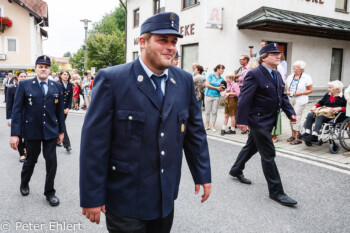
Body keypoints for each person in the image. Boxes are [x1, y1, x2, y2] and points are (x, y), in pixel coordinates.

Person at [79, 12, 211, 232]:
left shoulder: (183, 80)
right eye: (162, 40)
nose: (171, 47)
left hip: (164, 198)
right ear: (142, 42)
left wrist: (203, 174)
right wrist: (91, 195)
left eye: (174, 42)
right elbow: (94, 143)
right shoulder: (113, 79)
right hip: (125, 199)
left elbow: (194, 133)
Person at [229, 43, 298, 206]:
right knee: (268, 154)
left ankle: (236, 169)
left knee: (251, 147)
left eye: (279, 54)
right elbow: (245, 99)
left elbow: (283, 97)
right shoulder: (254, 74)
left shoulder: (277, 74)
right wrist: (242, 120)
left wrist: (290, 113)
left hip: (269, 120)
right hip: (257, 120)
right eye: (273, 54)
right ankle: (276, 192)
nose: (278, 56)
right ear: (264, 57)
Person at [10, 55, 65, 207]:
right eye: (40, 66)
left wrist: (61, 131)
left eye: (46, 67)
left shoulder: (57, 86)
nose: (43, 69)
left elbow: (60, 112)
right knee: (30, 161)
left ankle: (50, 193)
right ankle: (24, 183)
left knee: (51, 162)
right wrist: (15, 134)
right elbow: (17, 110)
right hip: (32, 130)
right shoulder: (25, 85)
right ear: (35, 69)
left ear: (49, 70)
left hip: (51, 131)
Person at [285, 61, 313, 145]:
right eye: (293, 66)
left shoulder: (306, 77)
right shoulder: (290, 76)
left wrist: (300, 93)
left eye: (296, 67)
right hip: (291, 98)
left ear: (301, 68)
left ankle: (298, 137)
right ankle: (293, 135)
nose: (293, 68)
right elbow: (287, 85)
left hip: (300, 99)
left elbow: (310, 90)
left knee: (296, 117)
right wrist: (287, 90)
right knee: (291, 116)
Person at [6, 71, 27, 162]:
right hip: (17, 116)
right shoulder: (12, 89)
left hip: (27, 116)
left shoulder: (29, 87)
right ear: (17, 78)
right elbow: (9, 105)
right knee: (18, 134)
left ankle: (25, 147)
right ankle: (21, 154)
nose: (23, 78)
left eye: (24, 76)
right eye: (21, 76)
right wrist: (9, 119)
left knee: (27, 134)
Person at [204, 64, 225, 132]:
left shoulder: (222, 78)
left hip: (216, 96)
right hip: (208, 95)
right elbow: (207, 84)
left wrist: (221, 89)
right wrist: (216, 88)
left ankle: (213, 126)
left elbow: (222, 88)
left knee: (214, 111)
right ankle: (207, 125)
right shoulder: (211, 75)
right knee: (207, 111)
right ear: (218, 69)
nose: (223, 70)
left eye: (223, 69)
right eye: (222, 69)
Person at [59, 71, 73, 152]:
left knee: (60, 125)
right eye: (64, 74)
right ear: (60, 76)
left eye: (67, 74)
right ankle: (67, 145)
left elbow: (70, 98)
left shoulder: (70, 85)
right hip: (58, 109)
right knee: (62, 125)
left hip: (65, 110)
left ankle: (59, 141)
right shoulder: (58, 84)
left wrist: (68, 108)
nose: (66, 76)